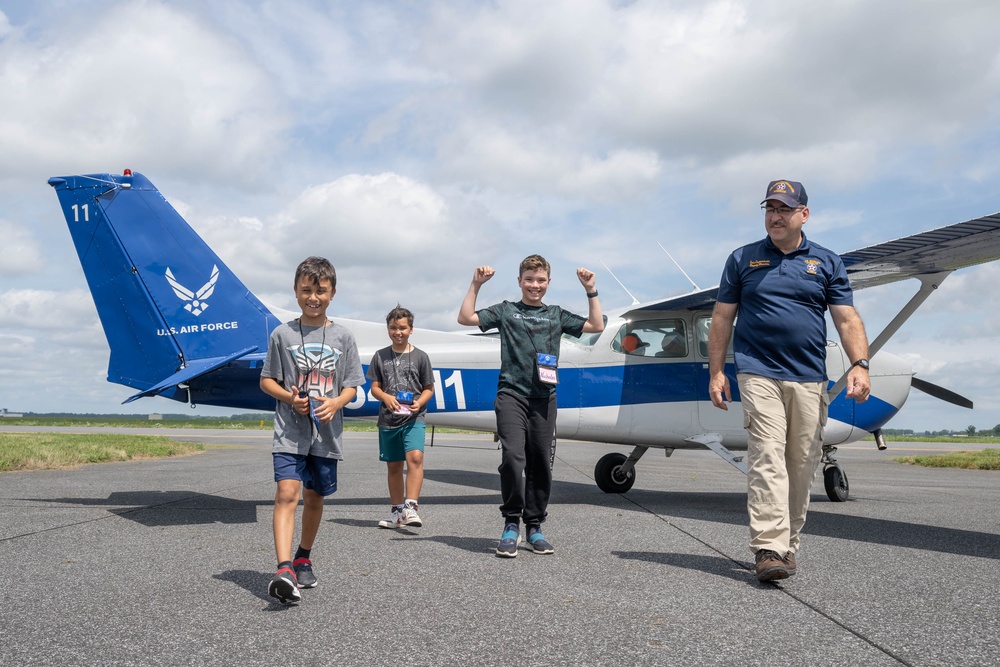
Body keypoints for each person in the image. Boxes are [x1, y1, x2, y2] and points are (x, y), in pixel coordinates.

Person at [707, 180, 870, 582]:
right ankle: (767, 547)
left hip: (810, 378)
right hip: (757, 372)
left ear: (803, 214)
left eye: (784, 209)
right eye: (769, 209)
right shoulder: (742, 259)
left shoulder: (827, 262)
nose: (775, 216)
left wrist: (860, 364)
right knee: (767, 456)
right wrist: (716, 372)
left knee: (800, 464)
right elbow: (722, 317)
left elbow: (846, 318)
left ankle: (786, 546)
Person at [457, 254, 604, 557]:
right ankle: (511, 523)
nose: (534, 285)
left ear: (548, 283)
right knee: (513, 458)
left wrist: (590, 288)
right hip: (511, 394)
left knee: (540, 463)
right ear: (520, 281)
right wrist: (476, 284)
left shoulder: (556, 315)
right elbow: (466, 318)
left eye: (540, 280)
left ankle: (534, 527)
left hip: (544, 398)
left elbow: (595, 325)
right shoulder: (507, 311)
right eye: (529, 279)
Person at [259, 256, 365, 604]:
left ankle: (304, 555)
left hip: (327, 435)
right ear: (295, 291)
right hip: (289, 432)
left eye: (320, 290)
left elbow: (351, 385)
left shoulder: (343, 337)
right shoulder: (281, 334)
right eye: (306, 290)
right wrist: (290, 399)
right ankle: (284, 567)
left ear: (332, 293)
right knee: (287, 494)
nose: (313, 297)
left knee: (315, 497)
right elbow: (266, 382)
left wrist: (336, 403)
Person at [367, 306, 435, 529]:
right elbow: (375, 388)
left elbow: (428, 388)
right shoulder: (380, 356)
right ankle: (397, 512)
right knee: (394, 466)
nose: (398, 332)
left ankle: (411, 507)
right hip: (388, 420)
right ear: (388, 330)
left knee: (415, 458)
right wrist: (385, 397)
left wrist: (420, 402)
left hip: (413, 418)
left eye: (403, 328)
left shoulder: (421, 357)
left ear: (411, 330)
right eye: (393, 328)